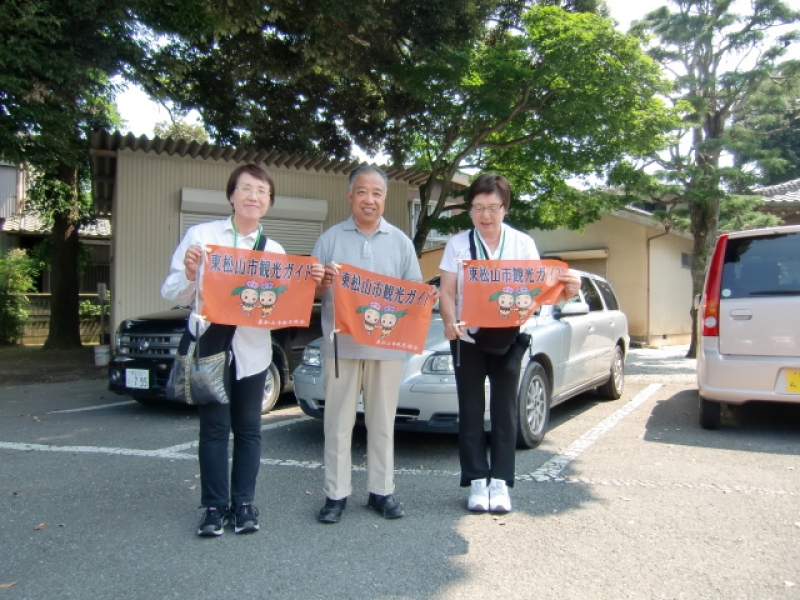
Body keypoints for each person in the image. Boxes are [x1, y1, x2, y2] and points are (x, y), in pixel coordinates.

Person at [161, 164, 324, 536]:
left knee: (250, 430)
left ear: (269, 202)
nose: (254, 196)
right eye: (246, 188)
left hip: (252, 352)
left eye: (262, 191)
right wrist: (189, 274)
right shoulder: (202, 237)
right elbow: (172, 292)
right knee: (215, 429)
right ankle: (215, 507)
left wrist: (306, 289)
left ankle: (245, 504)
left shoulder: (275, 251)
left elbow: (280, 312)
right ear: (231, 195)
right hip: (211, 347)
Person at [438, 174, 580, 514]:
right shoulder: (458, 244)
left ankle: (500, 483)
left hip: (508, 337)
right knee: (470, 411)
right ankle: (475, 481)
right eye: (477, 208)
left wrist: (567, 288)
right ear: (469, 209)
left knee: (505, 410)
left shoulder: (522, 244)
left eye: (492, 207)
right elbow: (446, 291)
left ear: (505, 208)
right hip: (467, 338)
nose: (485, 215)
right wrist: (447, 322)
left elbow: (541, 290)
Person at [313, 165, 435, 524]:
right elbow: (310, 290)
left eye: (377, 193)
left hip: (387, 350)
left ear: (384, 198)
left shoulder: (400, 242)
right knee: (337, 424)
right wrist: (323, 282)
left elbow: (414, 293)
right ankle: (335, 495)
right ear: (350, 196)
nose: (370, 199)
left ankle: (381, 491)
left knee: (382, 423)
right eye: (362, 192)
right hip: (341, 348)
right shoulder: (330, 239)